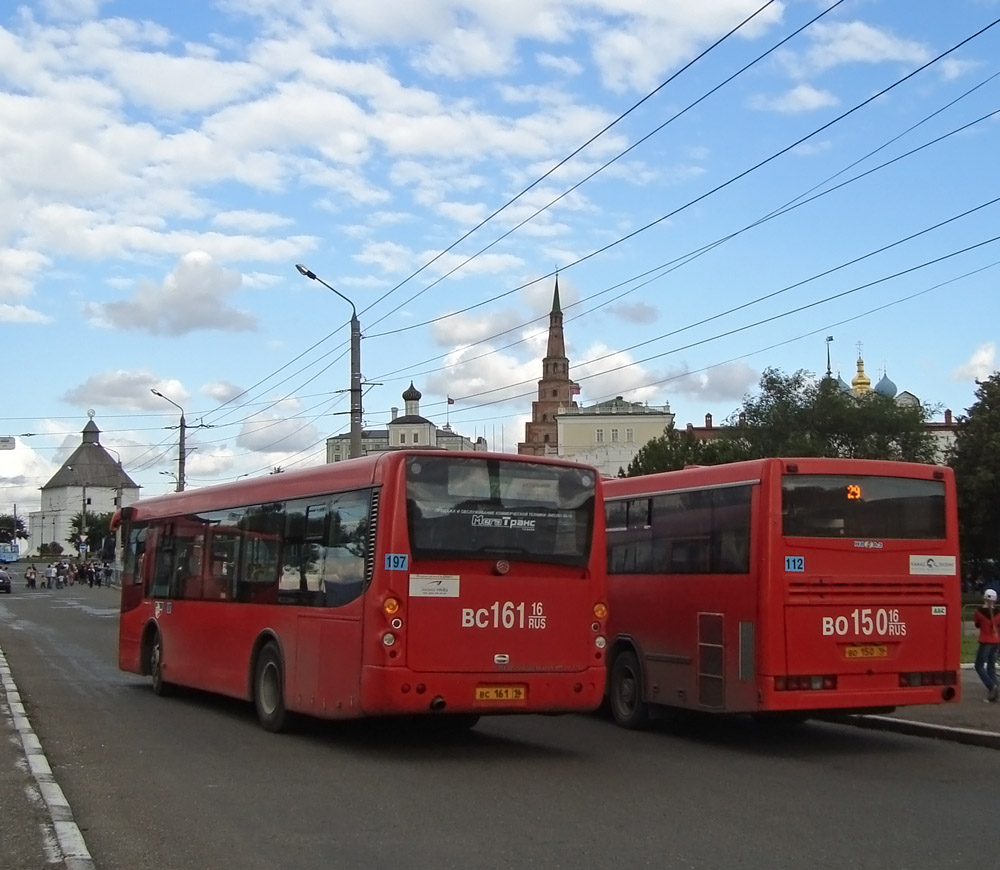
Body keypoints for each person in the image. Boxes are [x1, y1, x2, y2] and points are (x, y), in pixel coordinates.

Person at [973, 588, 1000, 702]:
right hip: (996, 642)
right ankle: (995, 692)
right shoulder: (998, 612)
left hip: (985, 642)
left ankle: (991, 686)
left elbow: (977, 625)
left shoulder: (979, 612)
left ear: (984, 598)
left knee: (979, 666)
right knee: (991, 667)